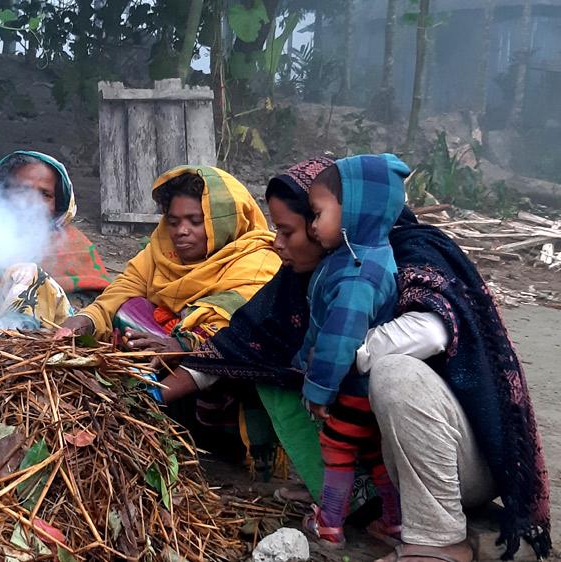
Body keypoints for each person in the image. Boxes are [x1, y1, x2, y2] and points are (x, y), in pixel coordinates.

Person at [158, 157, 551, 562]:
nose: (278, 242)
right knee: (277, 376)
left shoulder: (406, 256)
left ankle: (439, 538)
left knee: (394, 372)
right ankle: (359, 502)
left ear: (339, 221)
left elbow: (433, 331)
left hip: (462, 460)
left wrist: (346, 353)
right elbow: (242, 345)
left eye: (290, 229)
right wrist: (149, 396)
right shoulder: (308, 277)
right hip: (395, 458)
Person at [59, 165, 282, 467]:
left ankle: (175, 419)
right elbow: (122, 289)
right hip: (170, 367)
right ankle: (152, 418)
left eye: (195, 221)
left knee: (220, 346)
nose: (181, 231)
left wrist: (182, 343)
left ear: (224, 222)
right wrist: (83, 320)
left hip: (228, 390)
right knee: (129, 311)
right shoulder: (161, 251)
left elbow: (237, 327)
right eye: (174, 221)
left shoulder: (258, 260)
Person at [296, 156, 407, 547]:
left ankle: (328, 522)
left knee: (337, 447)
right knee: (373, 452)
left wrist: (318, 389)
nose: (312, 226)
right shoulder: (364, 254)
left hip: (351, 385)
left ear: (356, 210)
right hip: (368, 386)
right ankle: (393, 522)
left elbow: (340, 337)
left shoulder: (357, 271)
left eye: (318, 213)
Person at [0, 150, 111, 339]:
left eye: (45, 194)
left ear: (58, 204)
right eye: (23, 190)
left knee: (29, 275)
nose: (32, 201)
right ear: (2, 193)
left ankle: (10, 347)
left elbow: (97, 308)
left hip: (47, 343)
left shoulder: (74, 244)